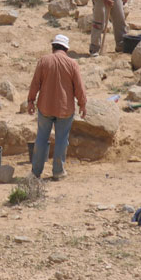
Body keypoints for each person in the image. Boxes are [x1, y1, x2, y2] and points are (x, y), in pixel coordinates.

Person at [27, 34, 87, 181]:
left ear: (53, 47)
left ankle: (35, 173)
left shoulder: (43, 61)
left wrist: (30, 101)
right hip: (65, 109)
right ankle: (58, 172)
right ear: (66, 49)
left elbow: (35, 83)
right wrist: (82, 104)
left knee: (41, 138)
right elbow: (79, 87)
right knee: (61, 140)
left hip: (45, 107)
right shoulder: (72, 64)